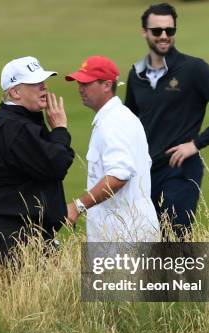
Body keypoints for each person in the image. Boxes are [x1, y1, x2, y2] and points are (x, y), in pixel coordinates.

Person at [125, 2, 209, 239]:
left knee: (175, 240)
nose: (164, 36)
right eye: (157, 31)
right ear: (144, 33)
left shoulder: (193, 69)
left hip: (180, 171)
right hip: (146, 173)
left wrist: (196, 144)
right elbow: (129, 121)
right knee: (146, 241)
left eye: (170, 30)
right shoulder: (136, 74)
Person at [0, 56, 74, 261]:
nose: (43, 87)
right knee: (20, 293)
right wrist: (60, 130)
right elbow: (55, 165)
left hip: (15, 231)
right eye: (35, 83)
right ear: (15, 92)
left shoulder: (14, 122)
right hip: (14, 233)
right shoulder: (14, 127)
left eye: (43, 81)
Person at [64, 56, 159, 242]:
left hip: (124, 234)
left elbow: (119, 175)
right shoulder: (117, 117)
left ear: (107, 85)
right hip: (126, 230)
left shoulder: (113, 122)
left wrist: (77, 207)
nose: (80, 89)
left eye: (86, 83)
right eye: (79, 83)